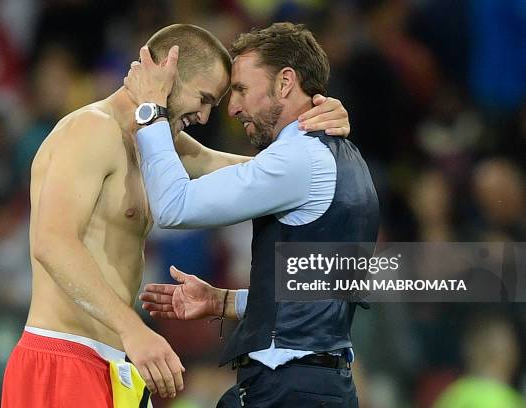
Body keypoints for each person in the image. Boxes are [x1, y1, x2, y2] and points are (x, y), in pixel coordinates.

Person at [1, 24, 352, 408]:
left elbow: (261, 174)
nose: (204, 117)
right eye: (203, 99)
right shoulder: (90, 129)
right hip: (62, 357)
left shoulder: (160, 143)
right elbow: (51, 243)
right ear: (169, 72)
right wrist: (134, 329)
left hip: (117, 363)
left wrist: (318, 136)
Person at [128, 22, 379, 407]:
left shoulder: (299, 160)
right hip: (313, 386)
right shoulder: (342, 157)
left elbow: (173, 206)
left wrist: (151, 112)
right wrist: (223, 302)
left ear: (285, 83)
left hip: (288, 388)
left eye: (242, 89)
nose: (232, 107)